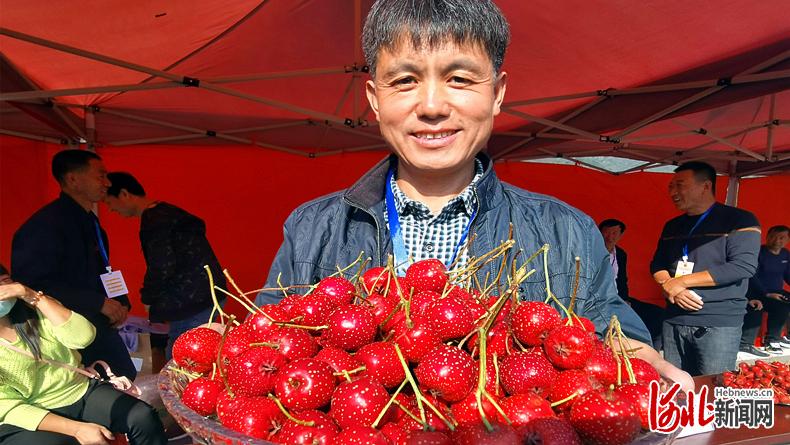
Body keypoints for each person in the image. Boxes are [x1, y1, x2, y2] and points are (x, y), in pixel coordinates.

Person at [256, 0, 693, 391]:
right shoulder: (313, 228)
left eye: (459, 78)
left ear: (497, 93)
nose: (431, 106)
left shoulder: (567, 231)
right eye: (404, 80)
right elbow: (267, 344)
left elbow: (612, 334)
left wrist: (642, 361)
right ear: (374, 99)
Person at [0, 270, 167, 445]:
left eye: (5, 282)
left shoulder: (39, 310)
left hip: (78, 389)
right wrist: (77, 429)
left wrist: (33, 296)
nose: (3, 291)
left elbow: (83, 337)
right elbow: (6, 406)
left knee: (142, 417)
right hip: (28, 410)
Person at [11, 150, 137, 380]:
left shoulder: (90, 220)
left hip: (99, 322)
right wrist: (98, 302)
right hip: (66, 330)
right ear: (73, 179)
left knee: (124, 376)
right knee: (102, 384)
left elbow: (103, 268)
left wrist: (120, 301)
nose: (107, 183)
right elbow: (32, 285)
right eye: (100, 176)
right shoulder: (43, 226)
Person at [651, 161, 760, 376]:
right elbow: (658, 264)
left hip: (717, 322)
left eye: (680, 185)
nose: (673, 192)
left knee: (713, 388)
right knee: (676, 387)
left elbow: (742, 266)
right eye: (671, 186)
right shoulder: (672, 225)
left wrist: (681, 282)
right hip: (674, 320)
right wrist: (670, 285)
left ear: (706, 186)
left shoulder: (740, 220)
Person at [105, 172, 226, 360]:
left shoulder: (155, 220)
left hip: (189, 301)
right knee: (195, 352)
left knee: (181, 359)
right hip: (208, 293)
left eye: (109, 202)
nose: (111, 209)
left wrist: (148, 298)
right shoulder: (169, 212)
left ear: (124, 194)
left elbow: (161, 264)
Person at [741, 225, 790, 355]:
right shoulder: (758, 253)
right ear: (767, 237)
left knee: (785, 301)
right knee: (780, 306)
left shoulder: (785, 254)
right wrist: (767, 293)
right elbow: (752, 276)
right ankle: (772, 340)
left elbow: (788, 275)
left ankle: (786, 337)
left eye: (781, 238)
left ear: (787, 240)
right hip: (757, 292)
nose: (777, 240)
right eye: (773, 236)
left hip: (776, 291)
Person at [598, 219, 629, 301]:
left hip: (614, 297)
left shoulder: (620, 254)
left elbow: (622, 280)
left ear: (621, 235)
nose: (610, 237)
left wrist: (625, 300)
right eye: (606, 232)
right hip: (596, 298)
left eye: (614, 233)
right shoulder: (590, 252)